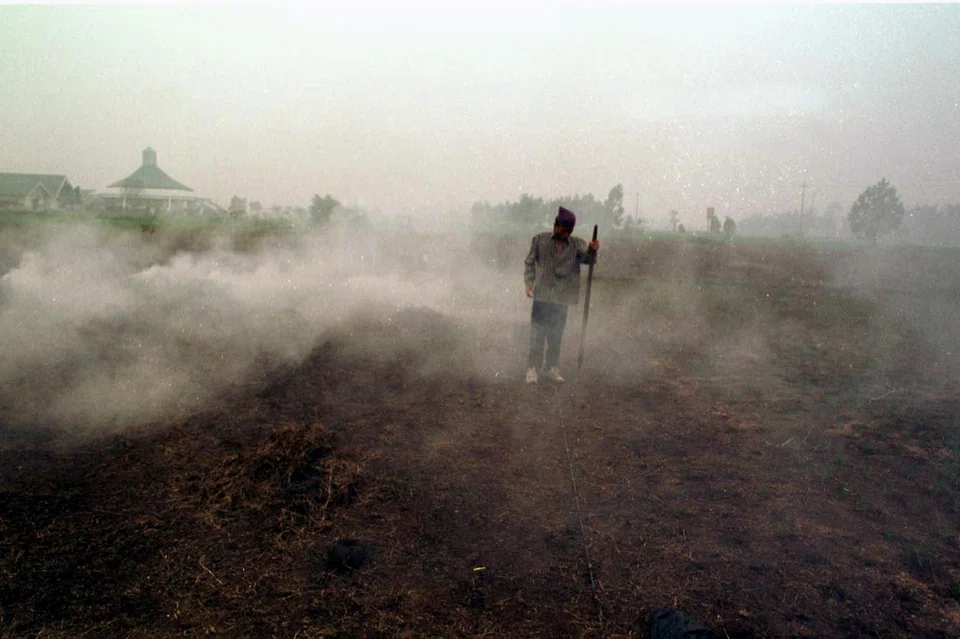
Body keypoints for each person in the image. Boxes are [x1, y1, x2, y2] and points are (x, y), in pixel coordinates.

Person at [523, 206, 600, 383]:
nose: (567, 234)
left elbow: (589, 261)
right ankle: (532, 369)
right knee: (537, 334)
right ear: (555, 226)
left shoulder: (577, 244)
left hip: (561, 297)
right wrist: (528, 282)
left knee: (556, 334)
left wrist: (593, 250)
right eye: (564, 230)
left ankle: (551, 367)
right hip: (542, 295)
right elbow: (529, 261)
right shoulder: (540, 240)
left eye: (570, 231)